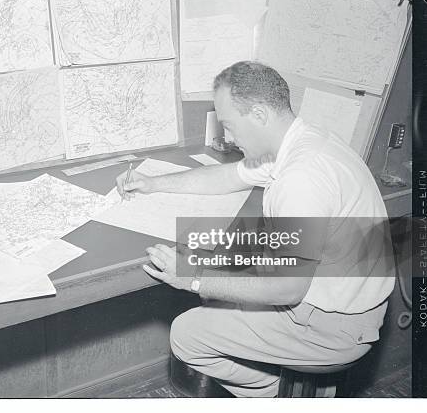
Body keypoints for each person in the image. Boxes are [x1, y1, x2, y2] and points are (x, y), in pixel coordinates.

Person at [115, 61, 394, 397]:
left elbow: (287, 290)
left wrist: (190, 276)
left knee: (187, 333)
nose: (227, 138)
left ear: (260, 114)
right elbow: (229, 176)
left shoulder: (301, 179)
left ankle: (277, 394)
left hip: (333, 325)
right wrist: (153, 184)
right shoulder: (302, 142)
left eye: (229, 126)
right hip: (337, 298)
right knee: (221, 280)